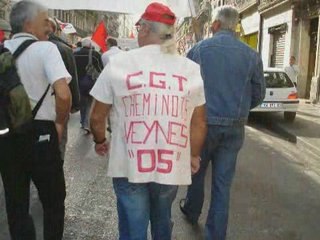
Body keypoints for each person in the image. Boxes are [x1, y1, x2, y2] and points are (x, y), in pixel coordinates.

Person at [90, 2, 207, 240]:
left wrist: (100, 140)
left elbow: (97, 115)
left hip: (129, 164)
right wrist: (193, 155)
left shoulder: (118, 64)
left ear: (143, 29)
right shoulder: (190, 69)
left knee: (133, 228)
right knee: (163, 218)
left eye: (138, 27)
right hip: (169, 163)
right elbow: (199, 122)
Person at [179, 5, 265, 240]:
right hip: (233, 127)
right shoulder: (251, 55)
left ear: (215, 25)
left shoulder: (198, 50)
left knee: (196, 170)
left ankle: (191, 209)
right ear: (235, 26)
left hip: (202, 123)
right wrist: (241, 110)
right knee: (222, 184)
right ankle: (215, 235)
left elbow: (183, 87)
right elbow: (259, 92)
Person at [0, 1, 71, 239]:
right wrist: (60, 123)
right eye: (45, 20)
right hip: (41, 132)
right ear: (29, 24)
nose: (49, 26)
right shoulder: (46, 49)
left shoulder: (2, 50)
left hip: (7, 136)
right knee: (53, 201)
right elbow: (63, 93)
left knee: (16, 203)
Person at [48, 17, 80, 159]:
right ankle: (56, 169)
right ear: (56, 30)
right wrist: (75, 104)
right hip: (59, 102)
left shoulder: (28, 47)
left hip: (31, 105)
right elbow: (72, 78)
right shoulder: (65, 49)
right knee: (59, 139)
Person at [74, 38, 103, 133]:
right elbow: (100, 69)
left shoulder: (74, 54)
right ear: (90, 45)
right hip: (91, 82)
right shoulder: (94, 54)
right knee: (90, 103)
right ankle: (87, 123)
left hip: (78, 82)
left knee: (83, 103)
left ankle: (83, 122)